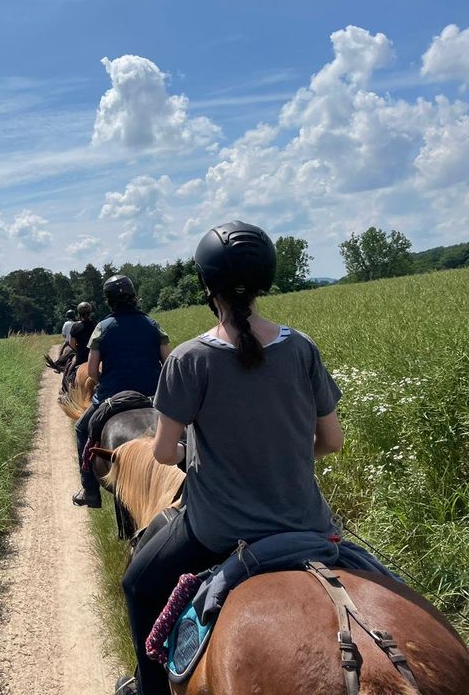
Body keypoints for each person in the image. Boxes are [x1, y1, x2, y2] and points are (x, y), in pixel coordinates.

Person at [116, 221, 344, 695]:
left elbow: (163, 451)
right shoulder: (301, 348)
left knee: (138, 585)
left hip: (216, 529)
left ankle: (148, 690)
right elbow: (331, 441)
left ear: (206, 285)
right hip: (306, 522)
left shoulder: (189, 358)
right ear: (265, 281)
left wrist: (197, 457)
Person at [73, 275, 170, 508]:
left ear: (109, 300)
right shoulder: (153, 324)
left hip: (111, 396)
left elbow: (93, 371)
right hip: (153, 395)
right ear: (134, 296)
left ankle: (90, 491)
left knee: (81, 429)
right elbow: (168, 362)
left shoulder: (102, 328)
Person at [68, 302, 96, 369]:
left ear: (79, 313)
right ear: (90, 312)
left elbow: (71, 343)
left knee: (70, 370)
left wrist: (78, 350)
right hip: (95, 355)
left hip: (81, 356)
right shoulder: (96, 324)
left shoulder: (75, 326)